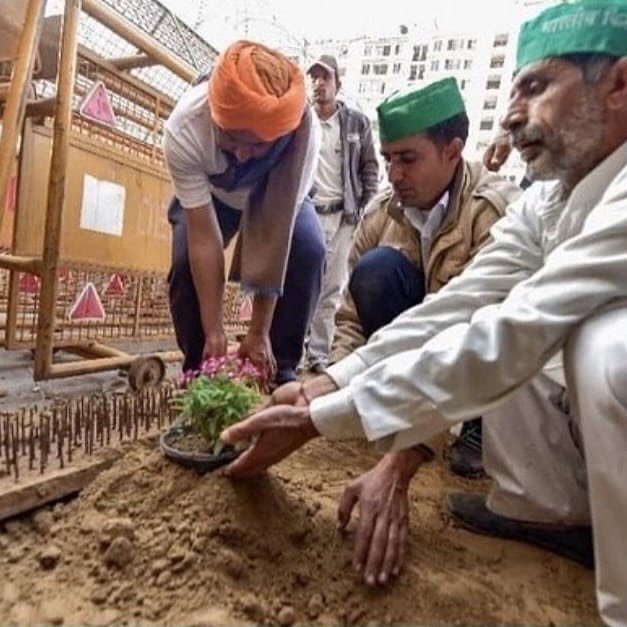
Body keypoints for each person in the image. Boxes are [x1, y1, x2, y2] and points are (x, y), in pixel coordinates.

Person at [220, 1, 627, 624]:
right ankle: (546, 510)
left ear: (620, 85)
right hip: (476, 374)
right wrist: (329, 383)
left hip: (552, 383)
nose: (513, 116)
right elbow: (456, 309)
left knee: (607, 348)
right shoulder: (544, 201)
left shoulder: (523, 203)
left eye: (536, 87)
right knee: (472, 311)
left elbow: (511, 335)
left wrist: (371, 440)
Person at [328, 77, 520, 477]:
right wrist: (334, 386)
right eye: (387, 159)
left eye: (408, 159)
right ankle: (393, 405)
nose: (394, 174)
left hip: (478, 350)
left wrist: (417, 444)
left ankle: (478, 427)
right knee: (376, 271)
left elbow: (488, 329)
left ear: (452, 151)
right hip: (418, 347)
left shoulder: (494, 212)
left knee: (496, 320)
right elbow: (351, 317)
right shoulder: (383, 212)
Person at [164, 40, 325, 385]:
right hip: (214, 197)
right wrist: (214, 331)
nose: (240, 154)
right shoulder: (185, 128)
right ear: (215, 115)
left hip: (275, 199)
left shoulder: (303, 139)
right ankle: (199, 369)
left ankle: (277, 368)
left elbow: (276, 234)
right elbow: (204, 240)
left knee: (309, 250)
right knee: (184, 263)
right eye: (231, 137)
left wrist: (258, 331)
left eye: (257, 145)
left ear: (281, 133)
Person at [304, 55, 379, 374]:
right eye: (315, 77)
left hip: (344, 217)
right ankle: (291, 352)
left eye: (326, 77)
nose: (319, 83)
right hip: (307, 213)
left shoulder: (355, 123)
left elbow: (370, 166)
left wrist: (366, 206)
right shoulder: (301, 120)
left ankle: (318, 355)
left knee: (331, 289)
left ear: (338, 84)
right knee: (302, 284)